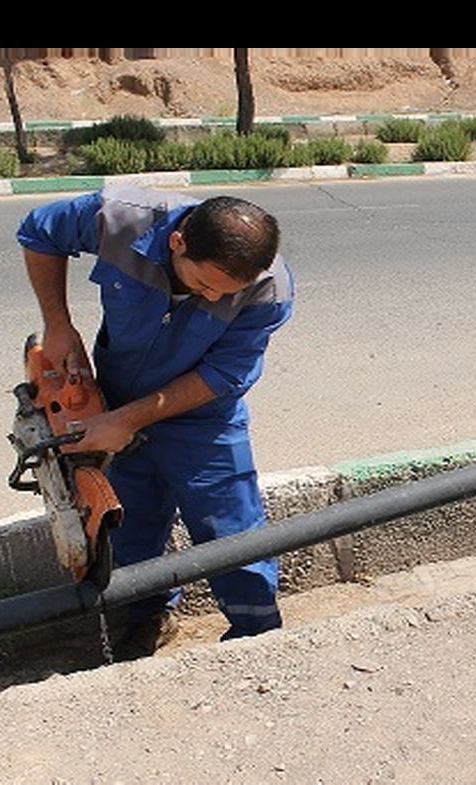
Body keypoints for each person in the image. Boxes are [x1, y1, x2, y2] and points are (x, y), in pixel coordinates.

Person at [17, 186, 294, 658]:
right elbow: (39, 230)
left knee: (231, 531)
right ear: (177, 242)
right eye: (204, 285)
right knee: (131, 524)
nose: (211, 297)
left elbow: (223, 374)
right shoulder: (120, 217)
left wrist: (128, 420)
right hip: (117, 394)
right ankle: (146, 618)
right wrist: (58, 323)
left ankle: (257, 642)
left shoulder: (269, 287)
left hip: (202, 418)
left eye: (224, 295)